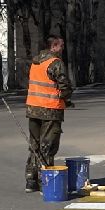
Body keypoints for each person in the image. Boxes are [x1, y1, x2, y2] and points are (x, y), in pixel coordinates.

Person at [24, 34, 74, 193]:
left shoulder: (35, 62)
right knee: (48, 145)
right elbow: (64, 86)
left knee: (34, 145)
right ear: (54, 46)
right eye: (61, 46)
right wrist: (66, 99)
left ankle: (31, 179)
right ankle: (44, 180)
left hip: (33, 109)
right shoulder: (56, 63)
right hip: (50, 110)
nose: (62, 49)